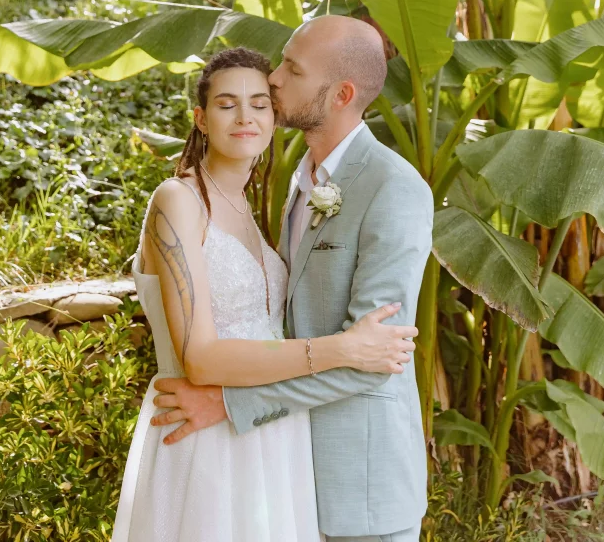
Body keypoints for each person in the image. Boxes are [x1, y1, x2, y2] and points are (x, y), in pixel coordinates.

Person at [110, 44, 418, 542]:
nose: (244, 116)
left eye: (259, 104)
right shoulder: (177, 201)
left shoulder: (260, 209)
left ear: (276, 119)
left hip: (273, 441)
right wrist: (342, 348)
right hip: (203, 434)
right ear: (201, 119)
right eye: (226, 104)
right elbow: (201, 360)